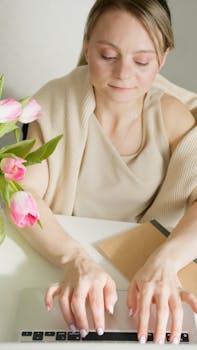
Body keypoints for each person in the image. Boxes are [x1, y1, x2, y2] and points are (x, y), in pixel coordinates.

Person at [13, 0, 197, 345]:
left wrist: (165, 263)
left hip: (146, 271)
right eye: (108, 56)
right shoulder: (53, 104)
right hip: (62, 263)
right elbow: (23, 196)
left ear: (163, 57)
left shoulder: (172, 118)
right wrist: (73, 259)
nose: (124, 74)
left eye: (142, 61)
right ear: (86, 46)